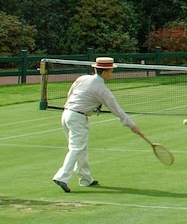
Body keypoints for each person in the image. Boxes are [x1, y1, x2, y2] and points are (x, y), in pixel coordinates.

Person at [52, 57, 143, 193]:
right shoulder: (102, 89)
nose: (112, 74)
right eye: (111, 71)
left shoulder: (82, 78)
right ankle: (62, 177)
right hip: (77, 118)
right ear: (105, 72)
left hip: (66, 115)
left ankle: (85, 179)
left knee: (81, 149)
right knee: (76, 148)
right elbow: (117, 110)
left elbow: (70, 94)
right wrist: (132, 125)